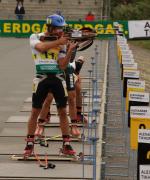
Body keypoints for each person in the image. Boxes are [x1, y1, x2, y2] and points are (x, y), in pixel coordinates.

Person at [24, 14, 77, 158]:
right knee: (35, 112)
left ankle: (66, 144)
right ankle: (29, 144)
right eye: (59, 28)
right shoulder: (35, 36)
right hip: (41, 78)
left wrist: (70, 50)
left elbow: (62, 64)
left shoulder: (60, 43)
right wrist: (60, 41)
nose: (61, 31)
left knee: (62, 112)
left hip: (58, 79)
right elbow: (41, 48)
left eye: (61, 29)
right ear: (51, 27)